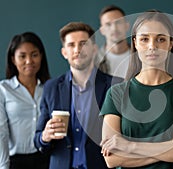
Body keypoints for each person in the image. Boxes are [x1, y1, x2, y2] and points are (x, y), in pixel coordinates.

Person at [100, 10, 173, 169]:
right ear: (135, 42)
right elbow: (112, 159)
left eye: (160, 39)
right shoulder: (116, 94)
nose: (152, 46)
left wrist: (130, 147)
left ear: (170, 43)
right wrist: (172, 145)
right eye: (144, 39)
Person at [34, 22, 115, 169]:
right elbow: (38, 140)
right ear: (64, 52)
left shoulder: (114, 85)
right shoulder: (51, 88)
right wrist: (44, 137)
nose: (77, 49)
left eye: (83, 43)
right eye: (71, 45)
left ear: (94, 49)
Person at [0, 32, 50, 169]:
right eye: (22, 56)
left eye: (34, 55)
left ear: (41, 56)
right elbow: (1, 132)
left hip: (47, 159)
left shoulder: (50, 88)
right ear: (13, 59)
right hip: (15, 162)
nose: (29, 61)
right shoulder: (3, 89)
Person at [97, 5, 130, 78]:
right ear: (102, 30)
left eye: (118, 22)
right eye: (108, 24)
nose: (114, 28)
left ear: (127, 26)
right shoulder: (94, 62)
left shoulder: (141, 57)